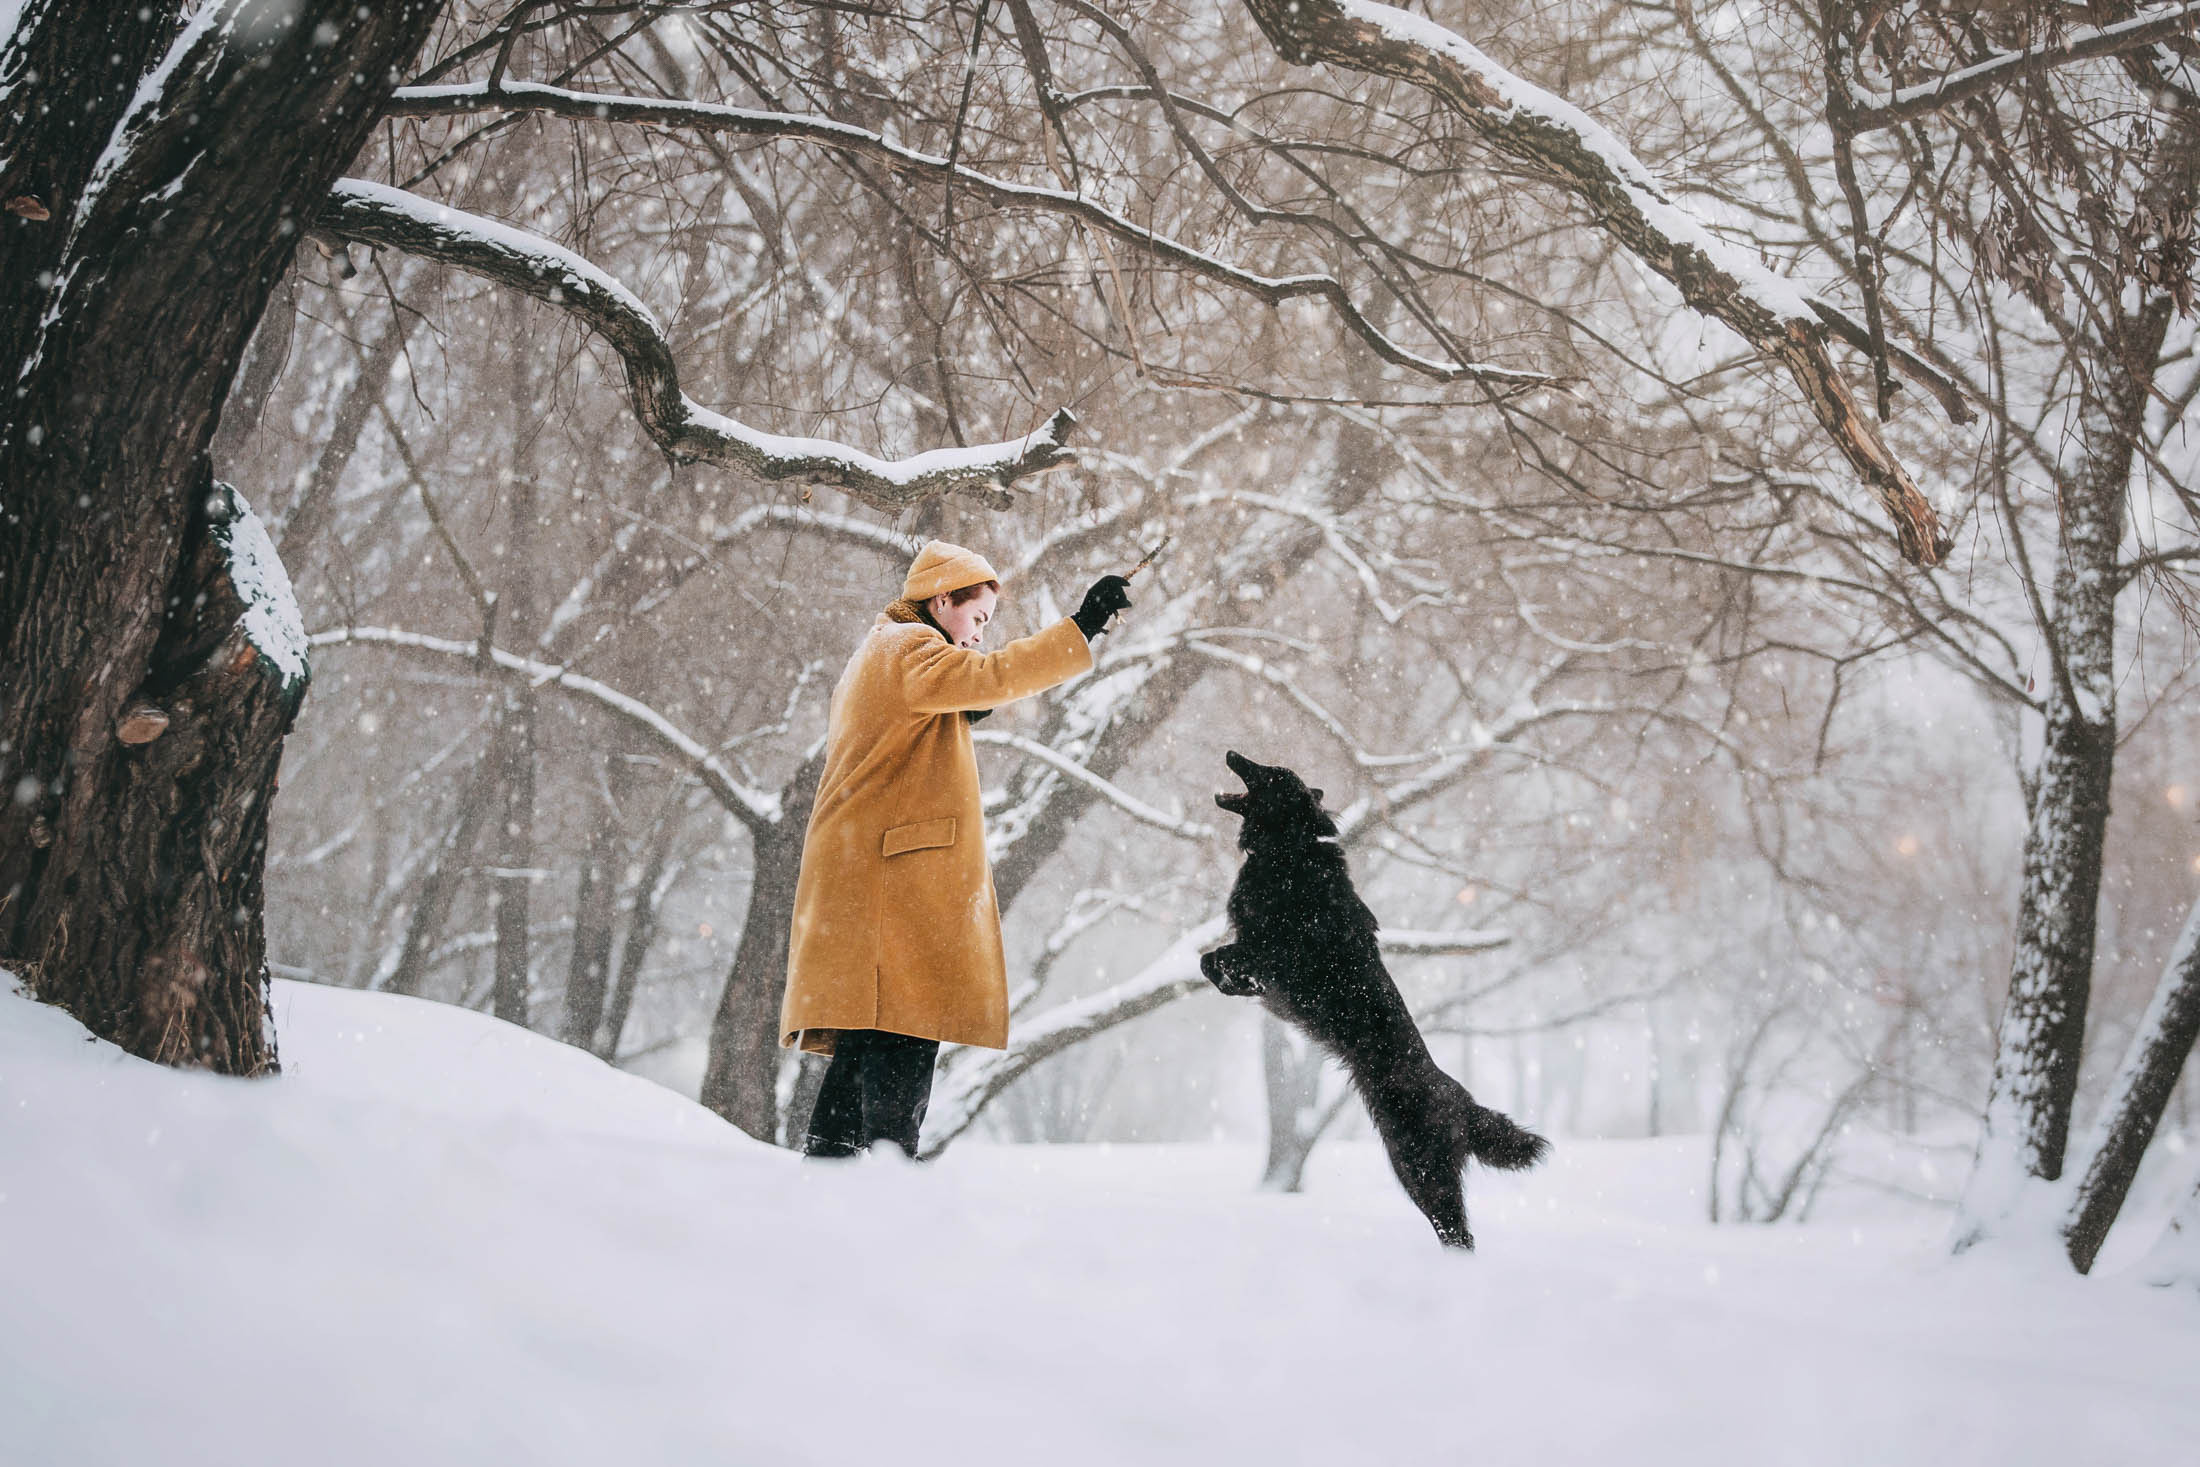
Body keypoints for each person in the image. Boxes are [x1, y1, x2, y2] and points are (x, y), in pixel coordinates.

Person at [781, 540, 1133, 1157]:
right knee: (907, 1033)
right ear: (942, 599)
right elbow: (990, 677)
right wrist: (1081, 627)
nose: (977, 637)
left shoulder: (885, 652)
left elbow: (968, 694)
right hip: (891, 884)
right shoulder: (907, 648)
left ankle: (830, 1173)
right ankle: (885, 1178)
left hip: (869, 878)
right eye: (977, 619)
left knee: (870, 1042)